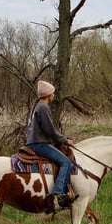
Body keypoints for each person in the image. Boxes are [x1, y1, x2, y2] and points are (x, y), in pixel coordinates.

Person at [26, 80, 76, 210]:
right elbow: (50, 130)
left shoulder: (37, 106)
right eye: (52, 92)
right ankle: (59, 194)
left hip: (33, 142)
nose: (54, 95)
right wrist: (65, 140)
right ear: (48, 94)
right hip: (40, 144)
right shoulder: (43, 107)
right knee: (66, 162)